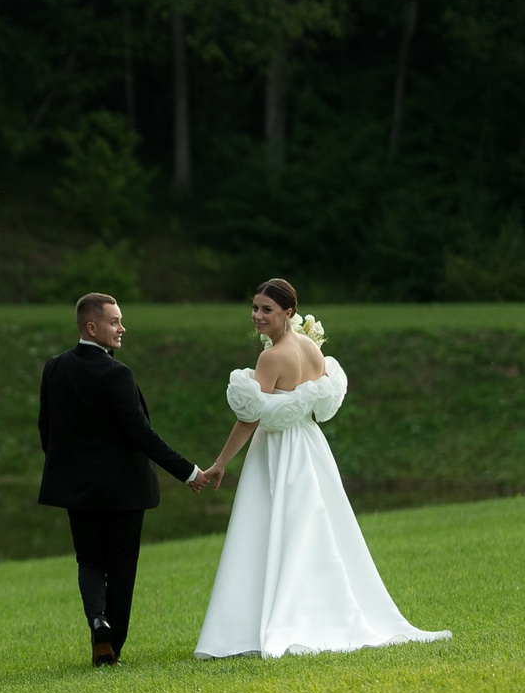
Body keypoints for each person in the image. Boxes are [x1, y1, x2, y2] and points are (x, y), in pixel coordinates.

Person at [191, 279, 451, 658]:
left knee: (275, 528)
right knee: (313, 528)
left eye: (267, 309)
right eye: (255, 307)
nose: (257, 315)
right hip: (311, 446)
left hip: (278, 450)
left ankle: (275, 620)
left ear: (289, 313)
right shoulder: (312, 348)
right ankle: (317, 610)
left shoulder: (271, 358)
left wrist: (219, 464)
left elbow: (250, 418)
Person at [37, 292, 211, 667]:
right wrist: (188, 471)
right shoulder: (116, 374)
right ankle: (112, 645)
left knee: (89, 561)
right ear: (91, 327)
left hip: (77, 489)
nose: (122, 328)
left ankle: (97, 621)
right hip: (124, 491)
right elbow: (141, 434)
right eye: (114, 322)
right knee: (120, 567)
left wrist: (67, 469)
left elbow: (45, 428)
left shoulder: (55, 367)